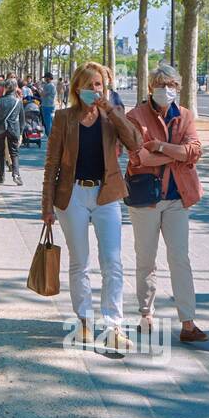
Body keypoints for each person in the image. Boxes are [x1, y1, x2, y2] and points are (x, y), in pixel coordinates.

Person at [42, 61, 142, 352]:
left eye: (98, 84)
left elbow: (136, 142)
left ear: (105, 87)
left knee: (112, 262)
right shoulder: (63, 118)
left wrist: (110, 109)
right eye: (88, 85)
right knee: (80, 262)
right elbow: (51, 165)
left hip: (106, 195)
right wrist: (46, 206)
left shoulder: (112, 117)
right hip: (71, 195)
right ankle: (84, 321)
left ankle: (113, 326)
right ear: (77, 88)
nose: (93, 90)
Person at [125, 65, 208, 343]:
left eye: (171, 84)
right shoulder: (135, 116)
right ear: (151, 87)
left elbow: (195, 151)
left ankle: (188, 321)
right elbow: (138, 158)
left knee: (180, 258)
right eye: (161, 84)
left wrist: (159, 147)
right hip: (145, 200)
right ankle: (146, 314)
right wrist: (178, 155)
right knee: (146, 259)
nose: (166, 89)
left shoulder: (184, 116)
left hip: (176, 198)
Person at [0, 78, 23, 185]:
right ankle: (16, 174)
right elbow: (22, 119)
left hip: (0, 130)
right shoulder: (18, 102)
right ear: (15, 88)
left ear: (5, 88)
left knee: (0, 153)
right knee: (14, 153)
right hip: (14, 130)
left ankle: (1, 177)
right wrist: (21, 132)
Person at [39, 72, 57, 137]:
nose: (45, 79)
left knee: (48, 123)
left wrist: (38, 88)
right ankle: (51, 136)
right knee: (50, 122)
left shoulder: (49, 86)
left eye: (45, 78)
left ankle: (50, 136)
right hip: (50, 105)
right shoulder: (51, 85)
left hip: (47, 106)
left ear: (48, 78)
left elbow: (42, 94)